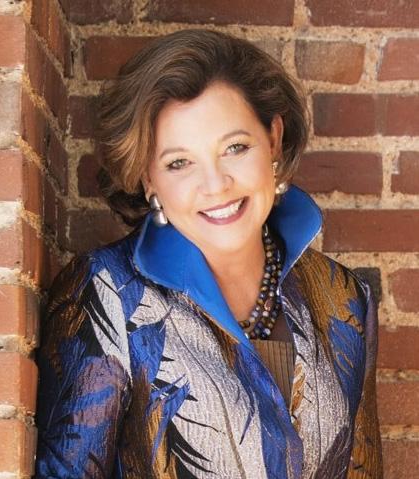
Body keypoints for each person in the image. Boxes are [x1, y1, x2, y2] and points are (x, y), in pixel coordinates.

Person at [35, 28, 383, 478]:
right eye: (179, 162)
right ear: (148, 178)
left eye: (235, 148)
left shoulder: (343, 297)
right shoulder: (107, 295)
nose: (215, 185)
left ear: (273, 141)